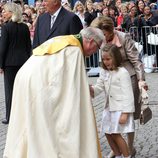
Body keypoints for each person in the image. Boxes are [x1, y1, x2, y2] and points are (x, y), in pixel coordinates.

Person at [3, 27, 105, 158]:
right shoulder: (74, 51)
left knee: (28, 118)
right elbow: (72, 91)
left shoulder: (64, 39)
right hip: (38, 84)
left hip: (24, 78)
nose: (95, 52)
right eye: (97, 48)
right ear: (91, 41)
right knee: (45, 122)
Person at [90, 16, 148, 157]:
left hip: (128, 76)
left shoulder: (123, 37)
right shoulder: (101, 41)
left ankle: (129, 146)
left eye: (103, 34)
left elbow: (135, 59)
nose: (101, 37)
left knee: (128, 115)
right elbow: (103, 62)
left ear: (110, 30)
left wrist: (141, 80)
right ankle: (117, 146)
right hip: (110, 76)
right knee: (112, 110)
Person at [90, 44, 135, 158]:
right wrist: (91, 89)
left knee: (115, 134)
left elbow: (128, 94)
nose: (105, 62)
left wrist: (125, 113)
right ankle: (118, 155)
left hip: (120, 109)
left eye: (108, 59)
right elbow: (99, 87)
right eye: (103, 59)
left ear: (115, 57)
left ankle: (126, 156)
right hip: (108, 108)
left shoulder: (122, 72)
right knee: (107, 132)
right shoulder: (103, 72)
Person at [0, 2, 32, 124]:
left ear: (12, 13)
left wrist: (1, 65)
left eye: (5, 11)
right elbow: (28, 46)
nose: (3, 13)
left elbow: (3, 48)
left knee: (9, 91)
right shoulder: (24, 27)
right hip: (23, 62)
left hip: (9, 64)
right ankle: (24, 116)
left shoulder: (6, 27)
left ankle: (10, 117)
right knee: (23, 90)